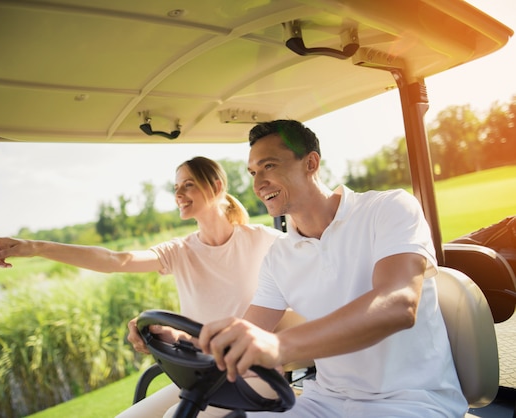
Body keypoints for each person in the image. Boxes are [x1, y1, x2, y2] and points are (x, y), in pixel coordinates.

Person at [0, 156, 284, 418]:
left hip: (256, 375)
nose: (179, 194)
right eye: (176, 188)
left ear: (216, 186)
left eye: (188, 184)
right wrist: (34, 247)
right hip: (204, 374)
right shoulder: (180, 251)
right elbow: (114, 260)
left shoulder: (262, 240)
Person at [195, 120, 469, 417]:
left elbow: (398, 305)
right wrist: (181, 340)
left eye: (269, 166)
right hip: (325, 401)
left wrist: (279, 346)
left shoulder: (388, 209)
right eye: (253, 172)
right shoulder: (278, 257)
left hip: (411, 401)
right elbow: (250, 330)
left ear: (311, 163)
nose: (257, 183)